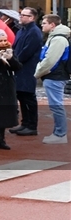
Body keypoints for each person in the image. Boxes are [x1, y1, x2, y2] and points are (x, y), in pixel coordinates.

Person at [34, 14, 69, 144]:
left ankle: (60, 134)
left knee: (56, 105)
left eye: (44, 23)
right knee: (56, 105)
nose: (42, 25)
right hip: (55, 75)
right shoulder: (56, 37)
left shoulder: (58, 39)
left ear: (52, 25)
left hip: (55, 76)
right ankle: (58, 133)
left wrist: (38, 72)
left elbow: (50, 60)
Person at [11, 8, 43, 136]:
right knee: (22, 97)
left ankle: (31, 125)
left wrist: (15, 61)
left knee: (29, 97)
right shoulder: (21, 30)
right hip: (20, 69)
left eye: (25, 15)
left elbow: (27, 51)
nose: (21, 17)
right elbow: (16, 48)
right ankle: (25, 123)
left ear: (32, 18)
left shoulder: (34, 32)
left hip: (27, 69)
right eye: (21, 14)